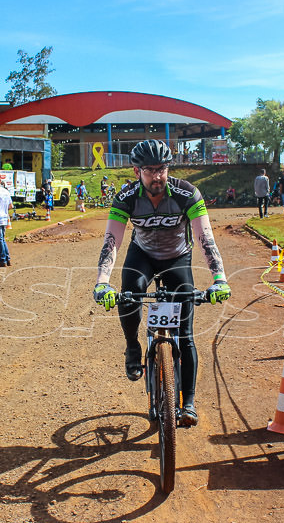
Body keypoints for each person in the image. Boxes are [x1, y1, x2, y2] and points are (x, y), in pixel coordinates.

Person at [93, 140, 231, 426]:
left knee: (186, 333)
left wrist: (219, 279)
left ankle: (189, 402)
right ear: (136, 171)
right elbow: (112, 241)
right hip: (141, 254)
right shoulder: (126, 197)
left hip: (177, 257)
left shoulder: (187, 194)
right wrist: (102, 282)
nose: (157, 176)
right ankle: (132, 346)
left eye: (162, 169)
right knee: (129, 295)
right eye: (150, 170)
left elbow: (205, 238)